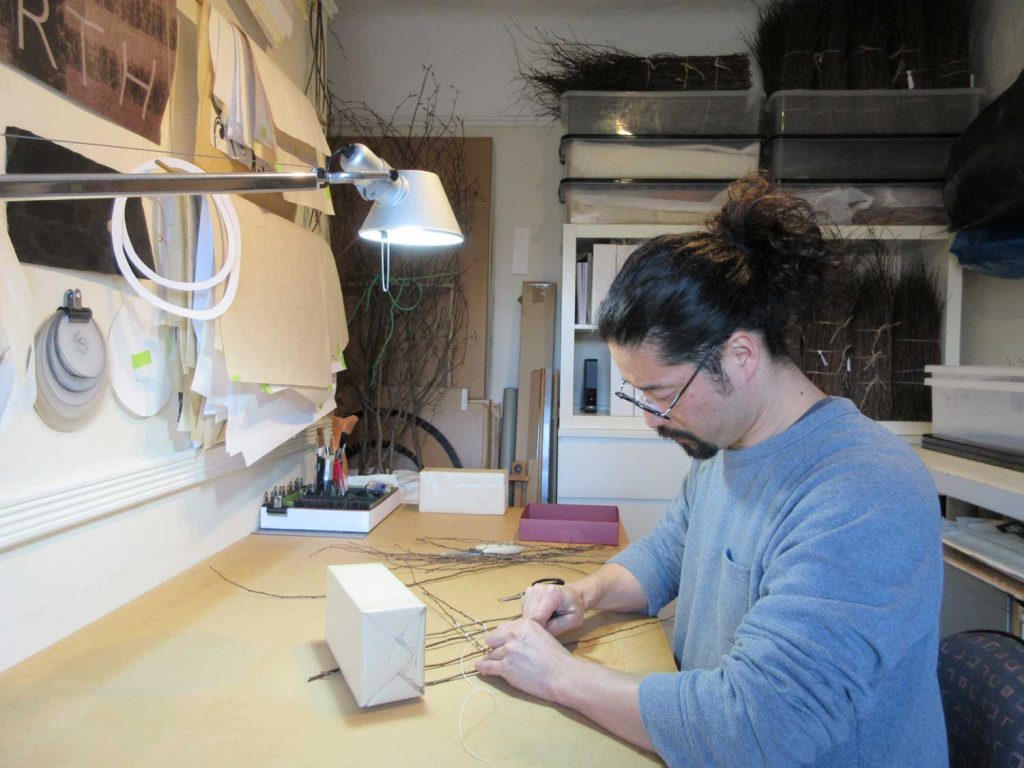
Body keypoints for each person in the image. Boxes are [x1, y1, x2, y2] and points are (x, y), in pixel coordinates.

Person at [475, 174, 947, 767]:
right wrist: (583, 593)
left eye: (663, 393)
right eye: (638, 395)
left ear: (741, 356)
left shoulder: (866, 492)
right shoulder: (726, 447)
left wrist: (558, 677)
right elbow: (670, 553)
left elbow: (757, 728)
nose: (652, 419)